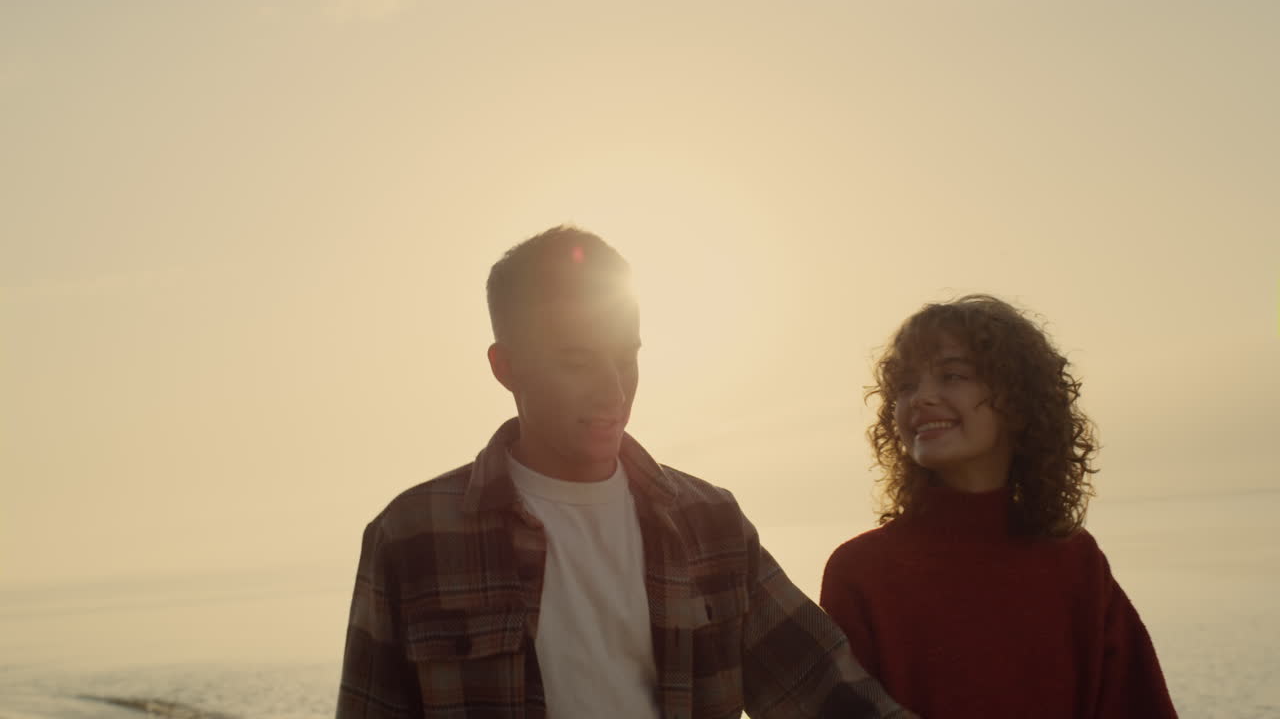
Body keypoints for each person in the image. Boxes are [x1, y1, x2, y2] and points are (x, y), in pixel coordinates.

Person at [337, 226, 913, 718]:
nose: (614, 389)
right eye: (577, 361)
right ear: (506, 367)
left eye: (627, 356)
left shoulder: (710, 525)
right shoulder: (412, 535)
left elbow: (830, 693)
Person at [820, 294, 1178, 718]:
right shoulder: (861, 571)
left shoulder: (1075, 562)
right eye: (905, 385)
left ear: (1017, 400)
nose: (921, 398)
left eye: (952, 375)